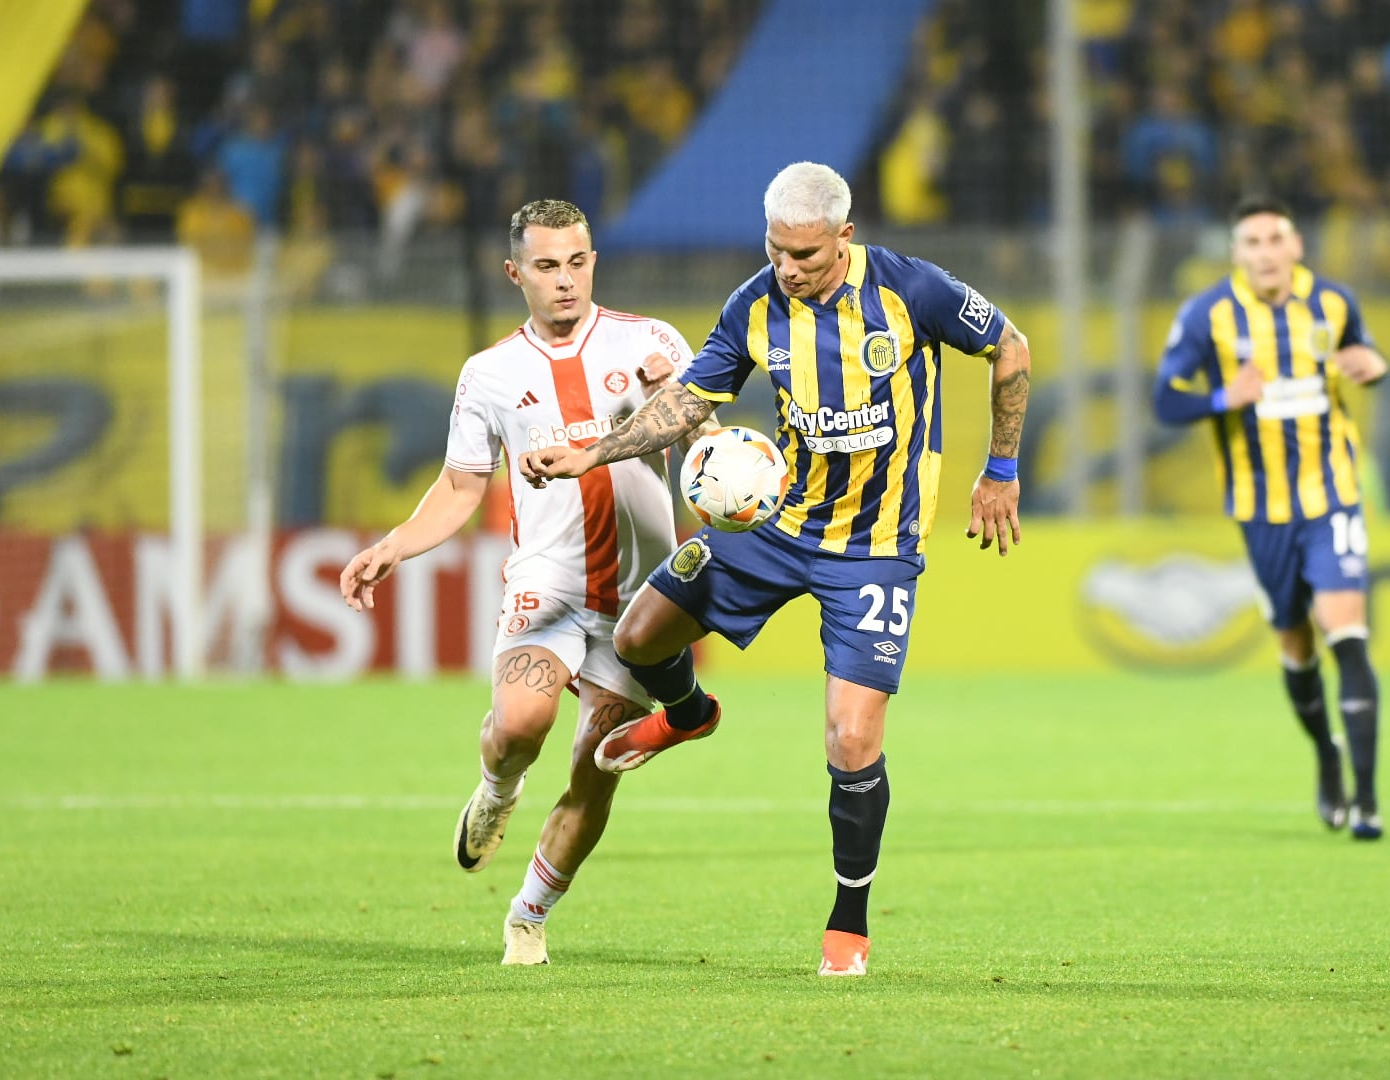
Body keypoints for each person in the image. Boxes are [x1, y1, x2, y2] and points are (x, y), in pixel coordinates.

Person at [530, 161, 1031, 976]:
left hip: (874, 549)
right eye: (777, 250)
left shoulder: (915, 291)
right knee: (639, 638)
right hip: (776, 522)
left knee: (852, 738)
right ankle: (688, 716)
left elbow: (1011, 349)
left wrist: (1000, 469)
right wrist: (589, 452)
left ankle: (849, 923)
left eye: (807, 254)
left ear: (846, 235)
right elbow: (688, 402)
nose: (790, 269)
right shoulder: (754, 303)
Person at [339, 198, 706, 965]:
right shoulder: (490, 374)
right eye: (546, 266)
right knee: (518, 729)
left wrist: (682, 402)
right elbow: (461, 486)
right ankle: (496, 792)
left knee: (593, 770)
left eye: (577, 262)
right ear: (516, 273)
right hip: (549, 585)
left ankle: (529, 913)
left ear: (593, 261)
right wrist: (396, 544)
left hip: (638, 605)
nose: (565, 280)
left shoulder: (652, 343)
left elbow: (708, 450)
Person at [1152, 194, 1387, 841]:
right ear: (1236, 255)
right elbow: (1165, 401)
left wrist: (1375, 366)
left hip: (1332, 493)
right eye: (1251, 243)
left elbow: (1362, 355)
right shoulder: (1208, 316)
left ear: (1296, 246)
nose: (1264, 253)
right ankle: (1328, 757)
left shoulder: (1334, 303)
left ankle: (1368, 801)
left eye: (1274, 239)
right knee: (1295, 644)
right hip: (1261, 512)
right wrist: (1228, 396)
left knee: (1348, 636)